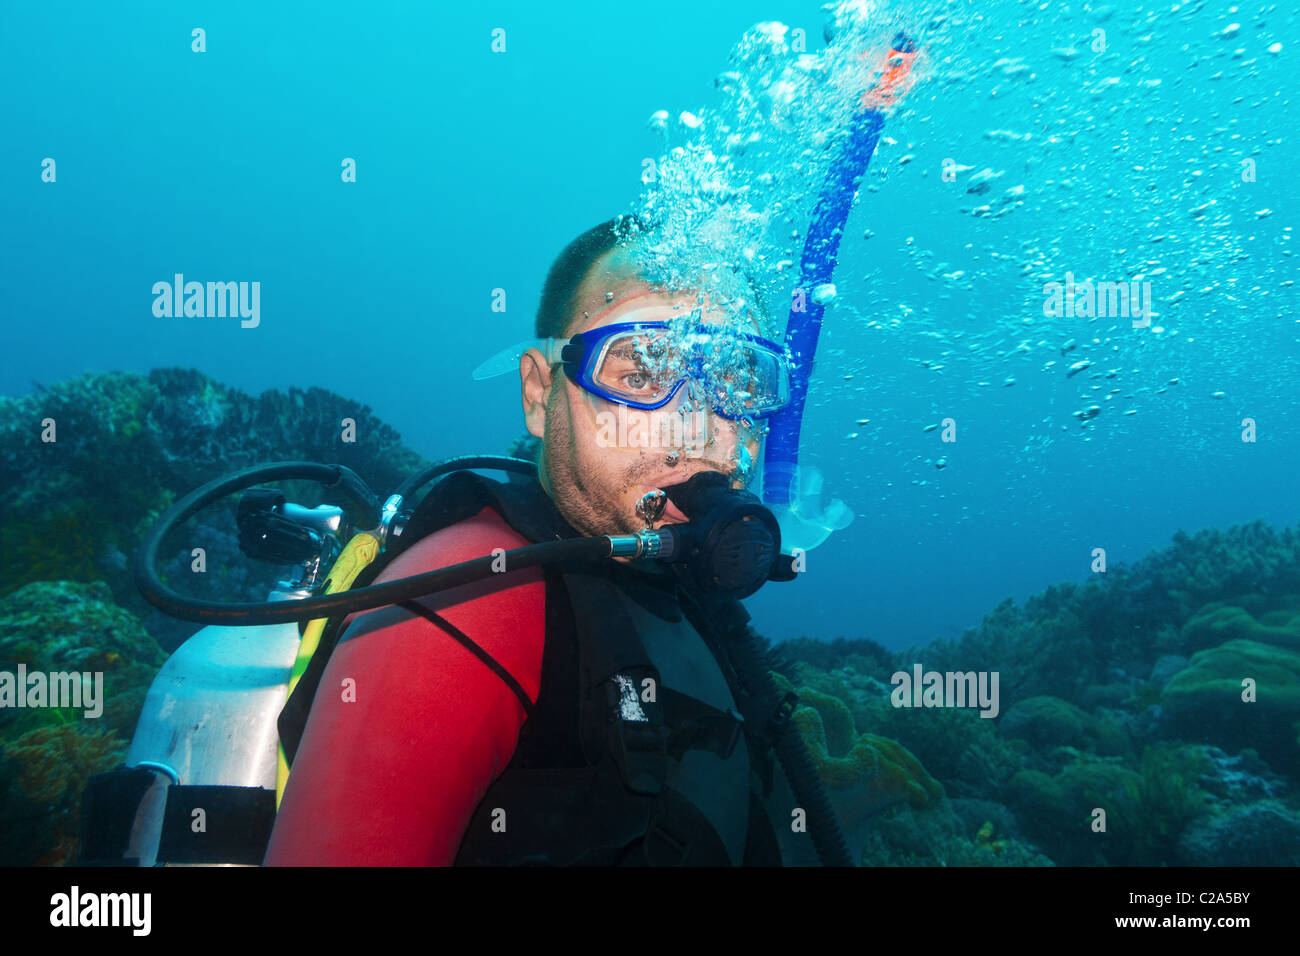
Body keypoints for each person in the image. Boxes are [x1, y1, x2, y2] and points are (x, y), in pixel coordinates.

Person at [264, 217, 805, 866]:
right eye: (640, 372)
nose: (700, 430)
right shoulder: (466, 598)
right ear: (541, 391)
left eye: (739, 380)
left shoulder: (677, 588)